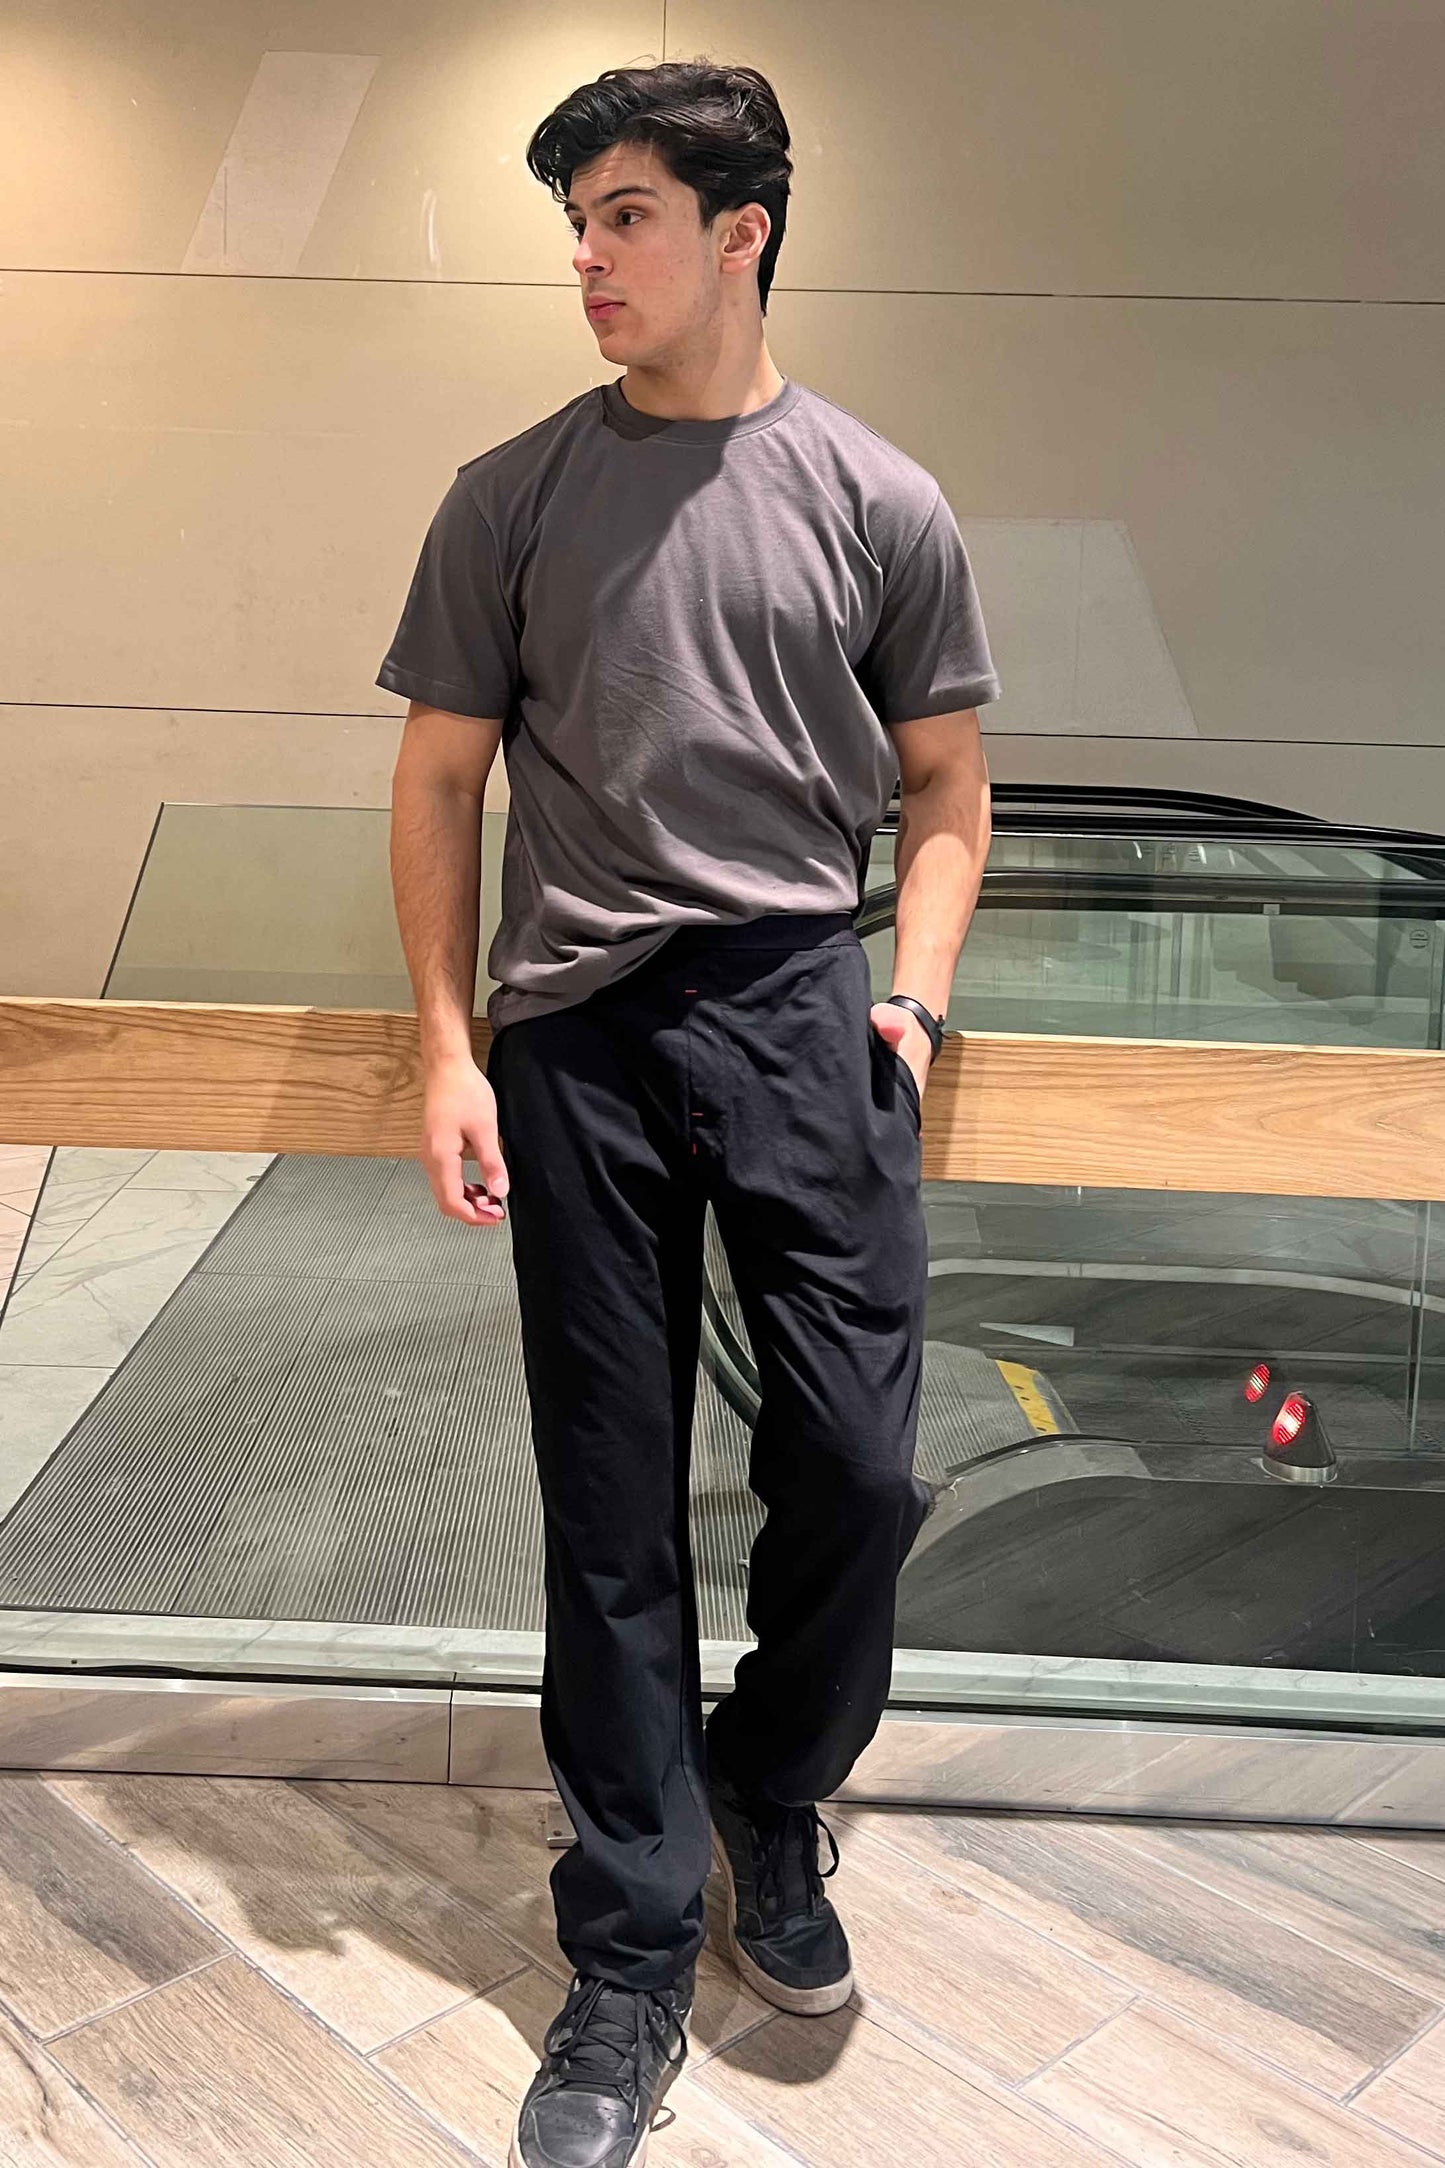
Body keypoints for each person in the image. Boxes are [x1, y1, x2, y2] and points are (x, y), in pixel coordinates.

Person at [379, 56, 999, 2168]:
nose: (588, 256)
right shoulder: (510, 494)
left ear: (744, 233)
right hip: (576, 1035)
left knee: (859, 1466)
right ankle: (630, 1949)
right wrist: (448, 1047)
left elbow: (946, 788)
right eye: (577, 220)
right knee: (610, 1499)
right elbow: (438, 779)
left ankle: (767, 1777)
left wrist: (911, 1000)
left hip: (806, 1016)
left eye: (625, 214)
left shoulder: (878, 498)